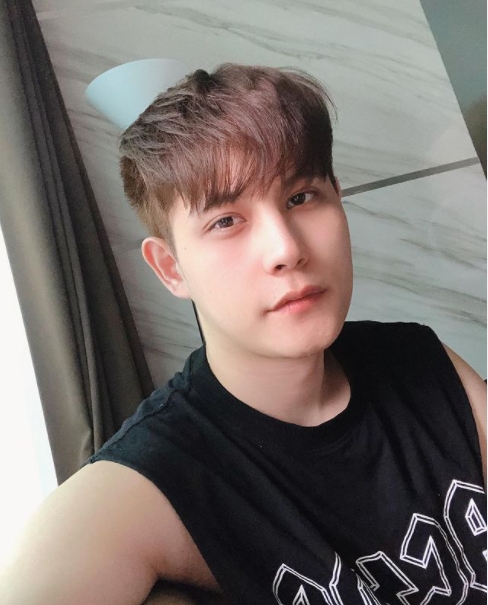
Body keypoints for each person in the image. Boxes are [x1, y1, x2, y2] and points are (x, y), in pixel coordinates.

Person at [0, 64, 486, 605]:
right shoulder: (157, 476)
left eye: (301, 197)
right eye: (226, 221)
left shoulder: (419, 359)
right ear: (171, 268)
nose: (286, 249)